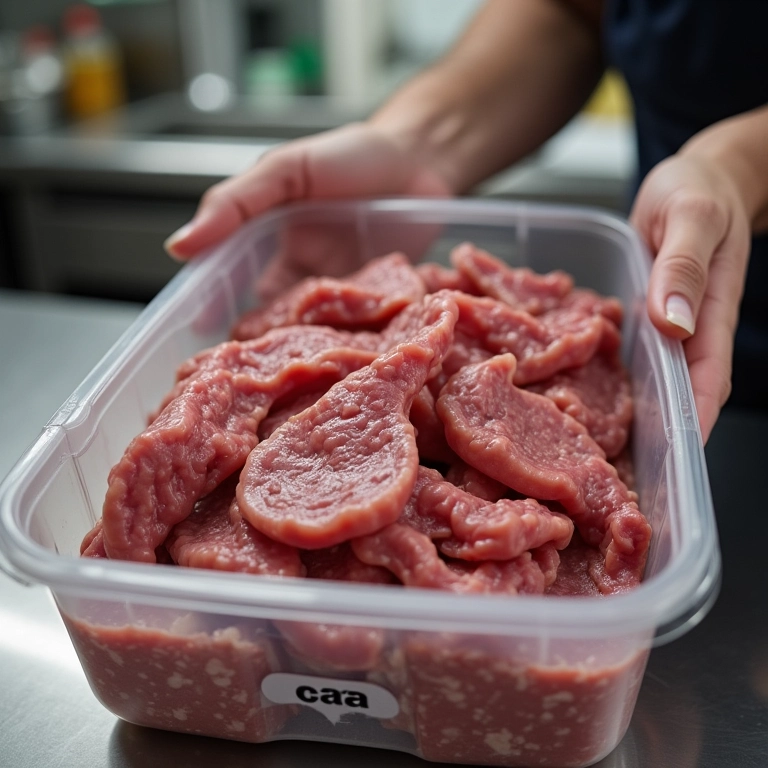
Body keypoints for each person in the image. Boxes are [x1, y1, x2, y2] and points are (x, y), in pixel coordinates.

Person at [164, 0, 768, 444]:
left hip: (697, 287)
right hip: (677, 289)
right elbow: (575, 14)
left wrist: (740, 166)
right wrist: (418, 143)